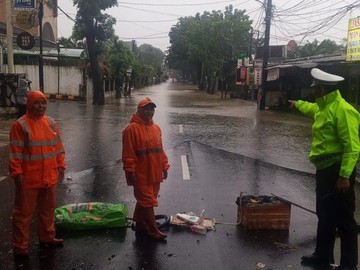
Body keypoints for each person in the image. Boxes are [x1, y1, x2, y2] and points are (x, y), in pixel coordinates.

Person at [289, 68, 359, 270]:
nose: (313, 93)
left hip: (339, 171)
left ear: (322, 89)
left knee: (344, 219)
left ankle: (349, 265)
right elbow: (311, 109)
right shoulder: (323, 108)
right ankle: (322, 256)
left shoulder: (343, 110)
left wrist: (344, 175)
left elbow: (352, 147)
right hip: (325, 171)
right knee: (325, 215)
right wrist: (297, 104)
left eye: (315, 89)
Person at [9, 90, 66, 260]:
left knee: (47, 210)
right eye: (37, 103)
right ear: (30, 104)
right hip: (29, 179)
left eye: (43, 103)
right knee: (23, 213)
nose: (41, 106)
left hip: (49, 176)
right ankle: (20, 246)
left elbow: (58, 147)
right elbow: (15, 152)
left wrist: (61, 165)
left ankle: (47, 237)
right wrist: (17, 172)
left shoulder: (50, 123)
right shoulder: (20, 125)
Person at [122, 97, 170, 240]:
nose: (150, 111)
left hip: (154, 172)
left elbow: (160, 151)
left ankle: (141, 223)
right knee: (147, 200)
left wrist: (164, 166)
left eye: (151, 108)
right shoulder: (131, 130)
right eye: (146, 109)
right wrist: (130, 171)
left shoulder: (156, 128)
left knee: (147, 199)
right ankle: (152, 229)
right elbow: (128, 154)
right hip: (141, 174)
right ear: (139, 110)